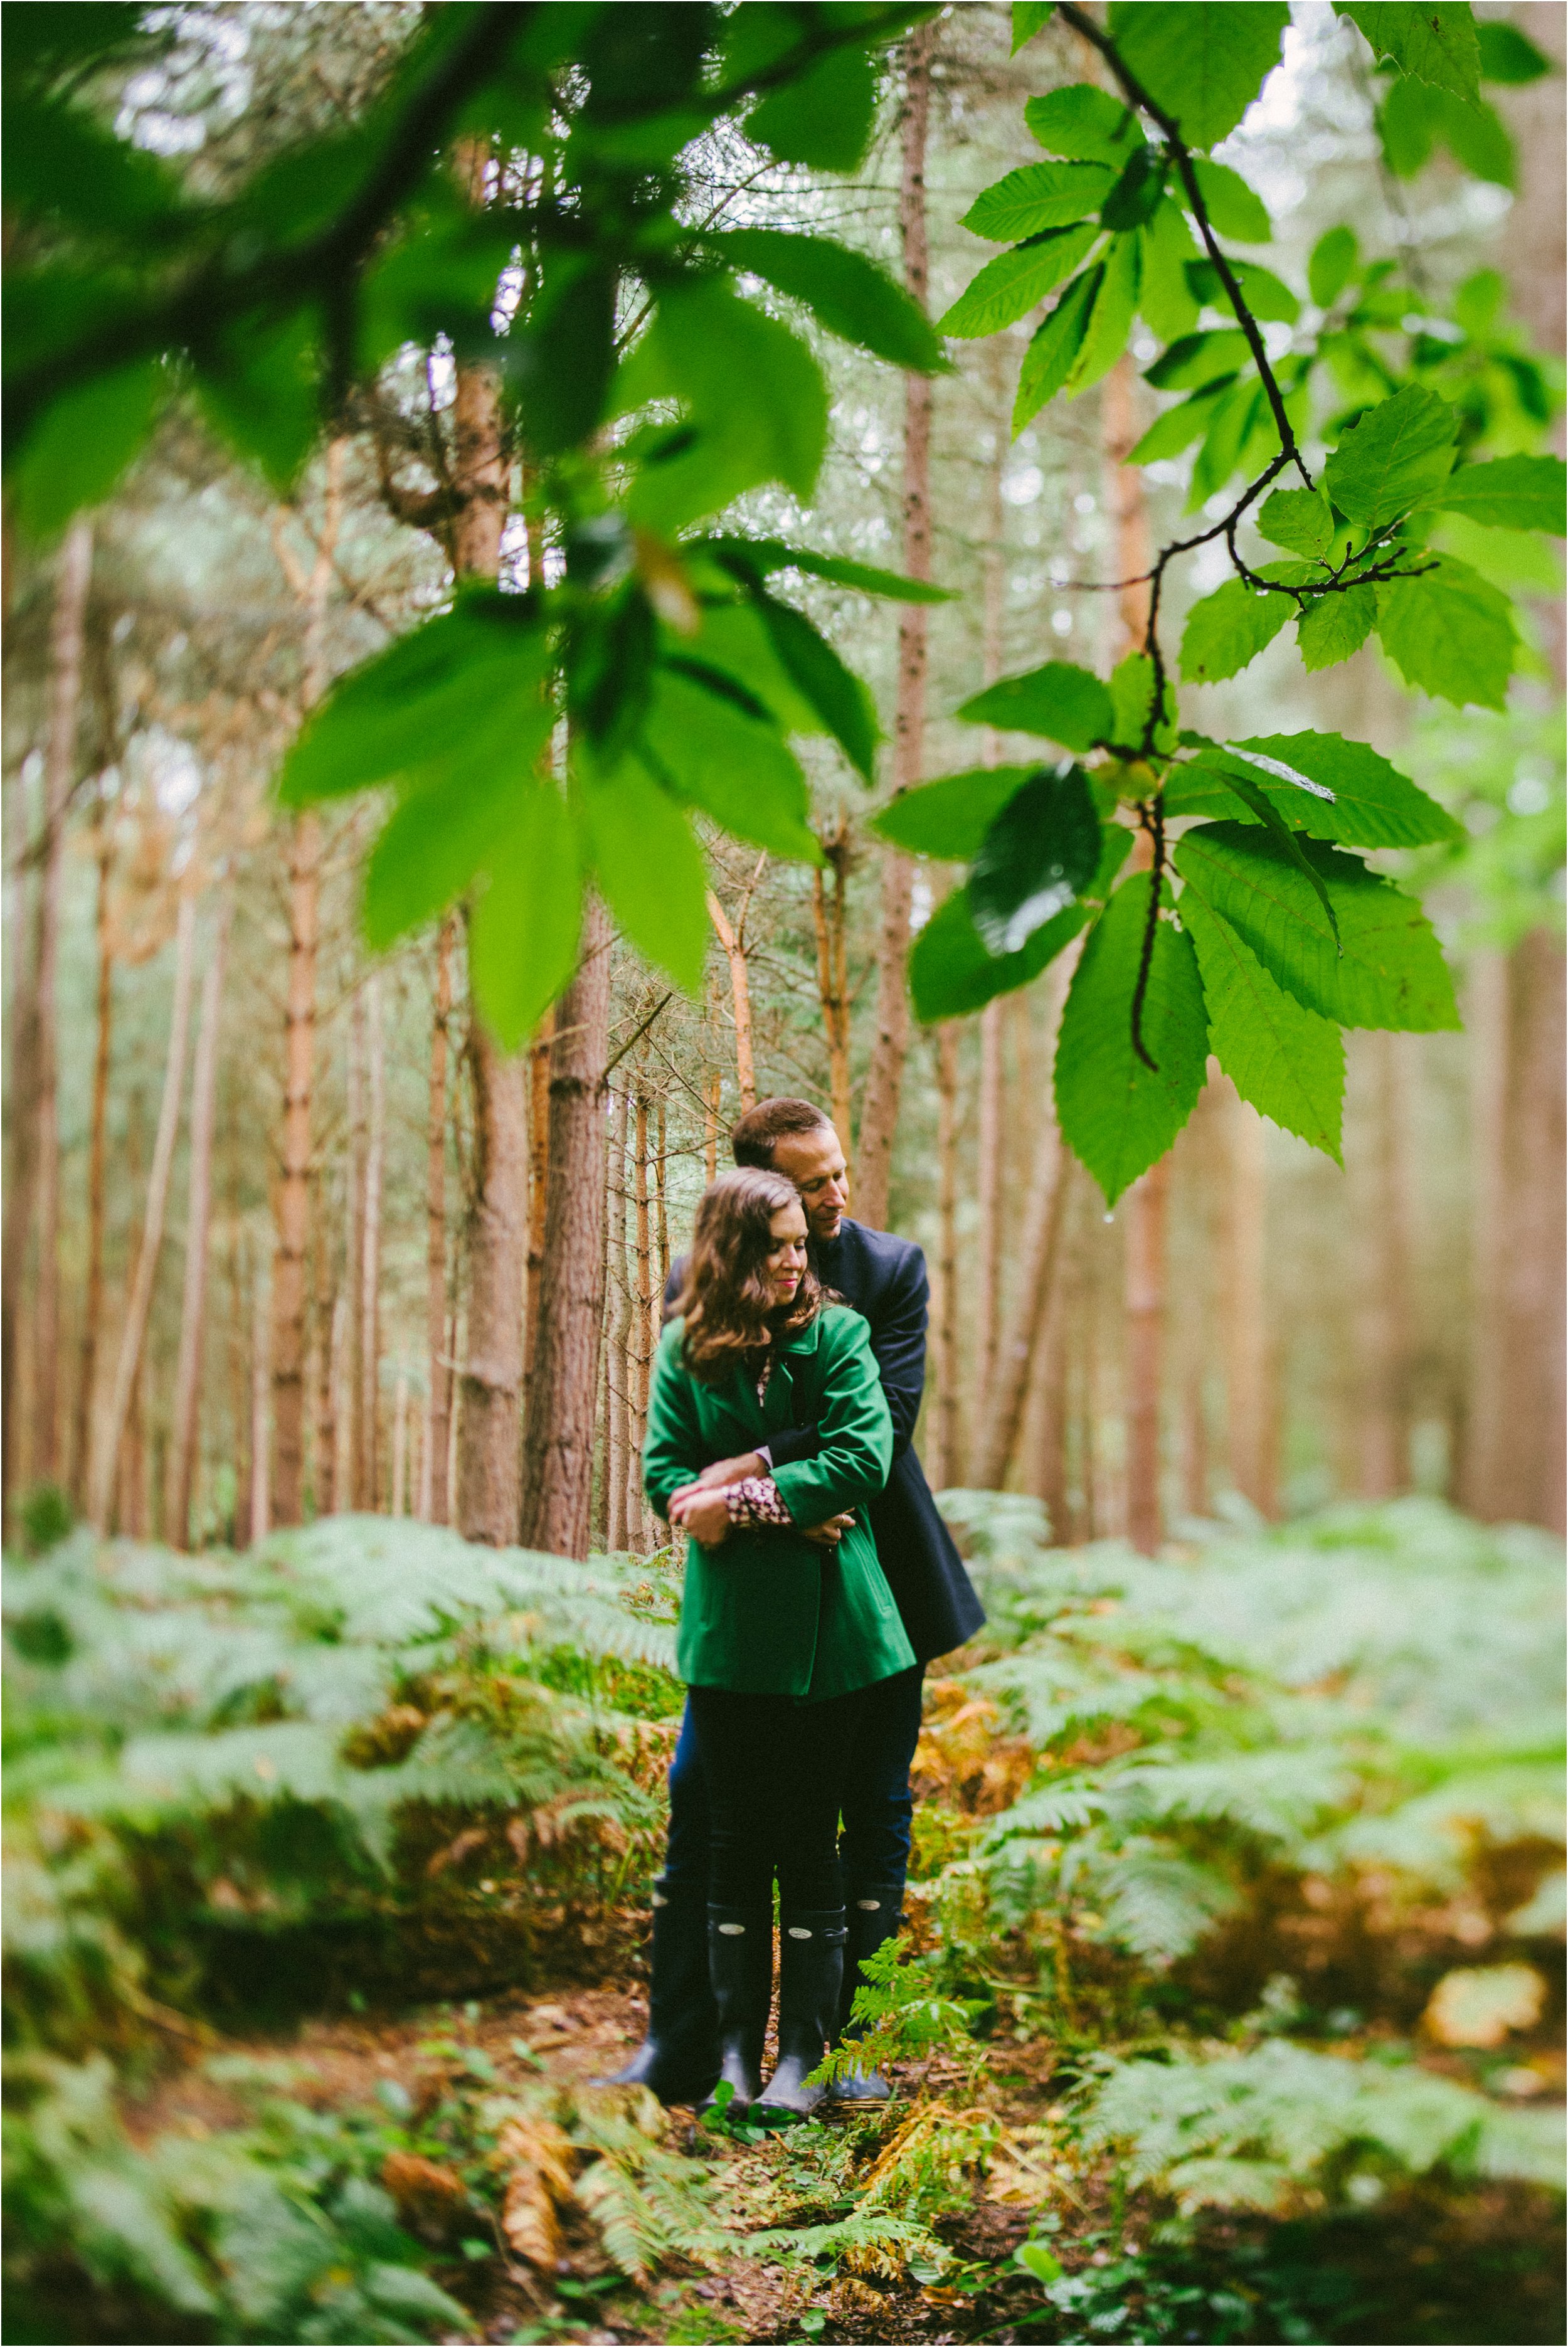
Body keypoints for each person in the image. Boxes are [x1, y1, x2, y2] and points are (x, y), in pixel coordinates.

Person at [601, 1099, 985, 2107]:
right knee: (704, 1804)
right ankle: (687, 2045)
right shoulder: (705, 1283)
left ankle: (849, 2052)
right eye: (811, 1182)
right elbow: (668, 1451)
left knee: (869, 1812)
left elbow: (883, 1433)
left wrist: (743, 1483)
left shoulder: (887, 1274)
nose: (835, 1196)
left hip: (876, 1573)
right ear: (757, 1183)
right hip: (750, 1603)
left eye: (839, 1173)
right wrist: (732, 1501)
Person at [640, 1167, 916, 2122]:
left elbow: (862, 1459)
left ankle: (801, 2054)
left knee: (809, 1836)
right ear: (733, 1252)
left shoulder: (839, 1336)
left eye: (804, 1242)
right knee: (730, 1840)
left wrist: (745, 1502)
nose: (800, 1258)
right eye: (780, 1244)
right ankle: (729, 2052)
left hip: (834, 1635)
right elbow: (665, 1474)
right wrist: (783, 1510)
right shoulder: (685, 1349)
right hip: (727, 1639)